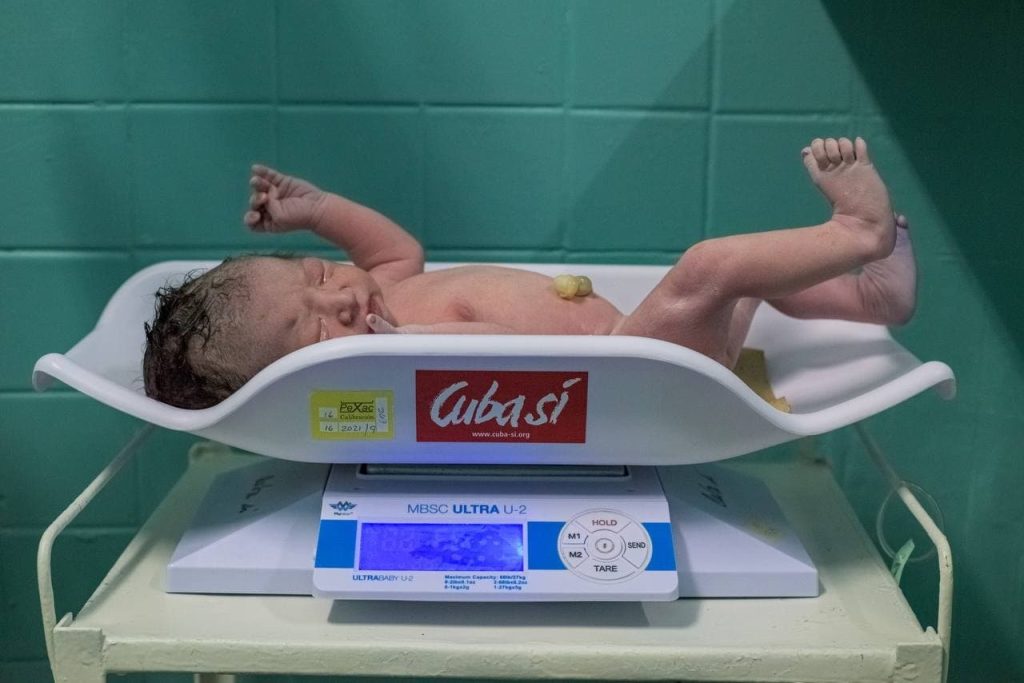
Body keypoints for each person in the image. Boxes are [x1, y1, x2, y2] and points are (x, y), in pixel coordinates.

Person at [143, 137, 916, 409]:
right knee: (711, 265)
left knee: (747, 281)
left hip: (639, 340)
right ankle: (856, 232)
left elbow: (395, 251)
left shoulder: (386, 290)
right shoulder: (394, 354)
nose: (341, 297)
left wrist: (320, 210)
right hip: (632, 370)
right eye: (313, 328)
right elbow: (477, 361)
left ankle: (868, 296)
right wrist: (398, 344)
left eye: (317, 273)